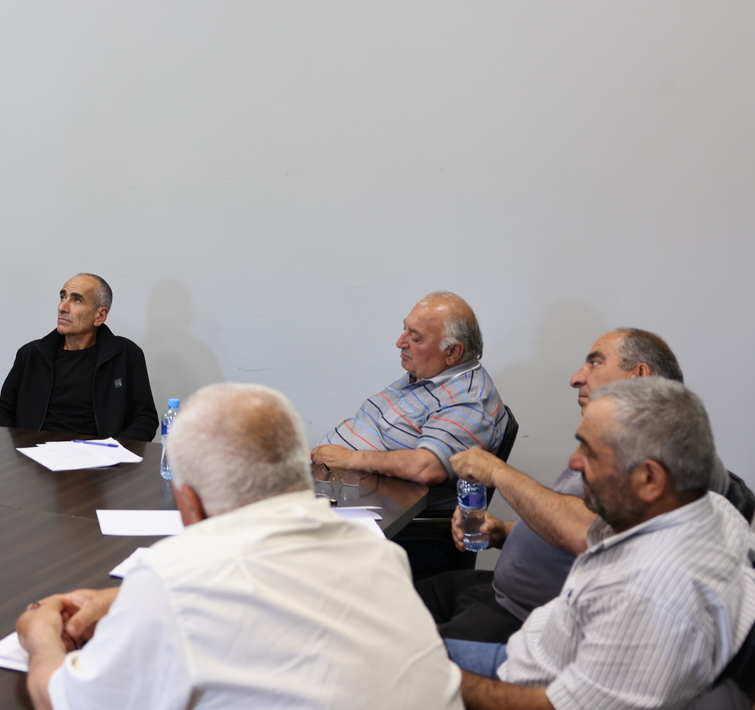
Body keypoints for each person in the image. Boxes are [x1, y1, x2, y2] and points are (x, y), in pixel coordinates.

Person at [15, 382, 462, 710]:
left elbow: (63, 700)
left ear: (187, 503)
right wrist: (123, 600)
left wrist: (40, 640)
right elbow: (272, 587)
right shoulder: (377, 554)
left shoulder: (174, 576)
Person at [418, 328, 754, 643]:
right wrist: (502, 532)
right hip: (495, 592)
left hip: (530, 622)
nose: (576, 378)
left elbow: (587, 533)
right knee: (392, 599)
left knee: (402, 655)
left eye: (595, 362)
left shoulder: (667, 452)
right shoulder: (616, 443)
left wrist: (498, 472)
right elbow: (569, 515)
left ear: (638, 376)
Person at [452, 377, 755, 710]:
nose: (574, 462)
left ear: (649, 479)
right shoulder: (709, 508)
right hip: (537, 652)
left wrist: (438, 679)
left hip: (529, 684)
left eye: (590, 451)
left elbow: (554, 706)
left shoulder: (644, 596)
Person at [310, 291, 509, 576]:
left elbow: (426, 467)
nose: (400, 342)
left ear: (453, 352)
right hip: (343, 493)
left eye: (415, 338)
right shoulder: (431, 374)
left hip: (398, 528)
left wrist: (350, 458)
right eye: (405, 329)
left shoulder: (468, 400)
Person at [0, 274, 157, 441]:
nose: (62, 307)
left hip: (100, 456)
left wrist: (115, 450)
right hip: (34, 453)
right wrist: (18, 446)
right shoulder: (32, 354)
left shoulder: (125, 355)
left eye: (77, 300)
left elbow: (145, 419)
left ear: (100, 316)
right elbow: (1, 411)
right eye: (62, 297)